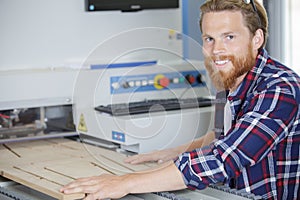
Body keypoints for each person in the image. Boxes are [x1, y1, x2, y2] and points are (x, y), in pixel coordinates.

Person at [60, 0, 300, 199]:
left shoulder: (279, 88)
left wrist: (125, 183)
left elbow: (224, 158)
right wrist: (172, 153)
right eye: (210, 39)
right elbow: (227, 135)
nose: (217, 50)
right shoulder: (231, 76)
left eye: (229, 37)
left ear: (256, 39)